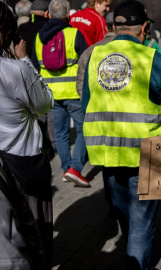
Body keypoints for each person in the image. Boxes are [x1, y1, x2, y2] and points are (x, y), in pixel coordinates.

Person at [82, 1, 161, 269]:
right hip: (144, 154)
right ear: (145, 29)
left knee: (126, 218)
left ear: (115, 28)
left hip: (107, 153)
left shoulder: (96, 56)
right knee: (140, 224)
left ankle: (132, 257)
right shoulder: (151, 58)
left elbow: (86, 105)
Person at [0, 2, 53, 268]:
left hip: (5, 163)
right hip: (23, 162)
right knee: (36, 230)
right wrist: (24, 60)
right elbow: (44, 104)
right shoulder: (14, 70)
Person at [31, 0, 89, 187]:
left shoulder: (40, 37)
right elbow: (86, 62)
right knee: (84, 130)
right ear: (68, 15)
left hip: (52, 94)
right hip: (73, 93)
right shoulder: (74, 34)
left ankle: (65, 169)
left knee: (61, 134)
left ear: (48, 14)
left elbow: (34, 65)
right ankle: (75, 168)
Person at [17, 0, 55, 159]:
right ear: (46, 13)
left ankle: (41, 144)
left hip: (24, 73)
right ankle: (51, 145)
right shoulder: (48, 29)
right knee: (47, 111)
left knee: (34, 113)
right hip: (45, 73)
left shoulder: (21, 29)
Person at [76, 11, 116, 98]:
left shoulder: (89, 51)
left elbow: (81, 85)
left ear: (106, 28)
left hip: (96, 107)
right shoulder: (133, 49)